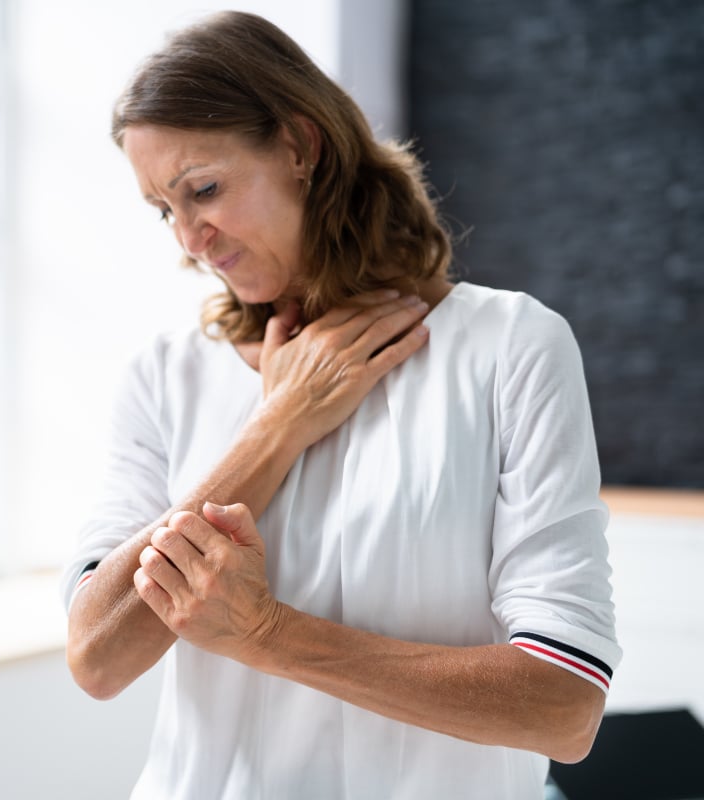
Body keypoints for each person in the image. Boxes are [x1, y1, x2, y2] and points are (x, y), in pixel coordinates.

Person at [62, 10, 621, 799]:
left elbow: (564, 709)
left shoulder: (510, 346)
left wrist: (266, 635)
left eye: (205, 190)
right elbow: (97, 657)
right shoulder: (165, 375)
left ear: (299, 147)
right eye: (165, 209)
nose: (190, 237)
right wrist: (277, 427)